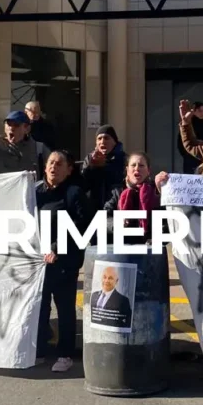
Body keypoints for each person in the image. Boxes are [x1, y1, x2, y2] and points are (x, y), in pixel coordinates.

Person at [35, 150, 88, 373]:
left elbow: (80, 225)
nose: (53, 167)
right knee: (39, 307)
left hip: (64, 260)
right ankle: (38, 350)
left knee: (64, 308)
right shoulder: (35, 191)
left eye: (59, 164)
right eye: (50, 163)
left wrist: (57, 248)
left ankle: (65, 353)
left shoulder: (74, 193)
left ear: (68, 170)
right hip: (38, 261)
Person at [103, 152, 160, 245]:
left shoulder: (156, 191)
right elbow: (104, 219)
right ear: (127, 170)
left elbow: (166, 221)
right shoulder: (117, 192)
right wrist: (116, 223)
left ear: (148, 170)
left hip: (150, 251)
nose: (137, 168)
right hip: (123, 251)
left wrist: (156, 239)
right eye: (133, 165)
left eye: (141, 165)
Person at [82, 124, 128, 211]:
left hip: (116, 207)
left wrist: (106, 167)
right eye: (99, 139)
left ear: (114, 142)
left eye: (106, 138)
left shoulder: (124, 159)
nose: (102, 141)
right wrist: (92, 167)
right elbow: (84, 185)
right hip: (94, 208)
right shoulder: (89, 158)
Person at [89, 265, 133, 329]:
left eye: (110, 278)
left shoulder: (123, 300)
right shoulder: (94, 295)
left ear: (116, 281)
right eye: (104, 277)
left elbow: (126, 324)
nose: (106, 281)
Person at [178, 102, 203, 174]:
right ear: (193, 111)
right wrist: (188, 156)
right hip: (190, 161)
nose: (202, 113)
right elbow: (184, 143)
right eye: (199, 110)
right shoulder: (187, 126)